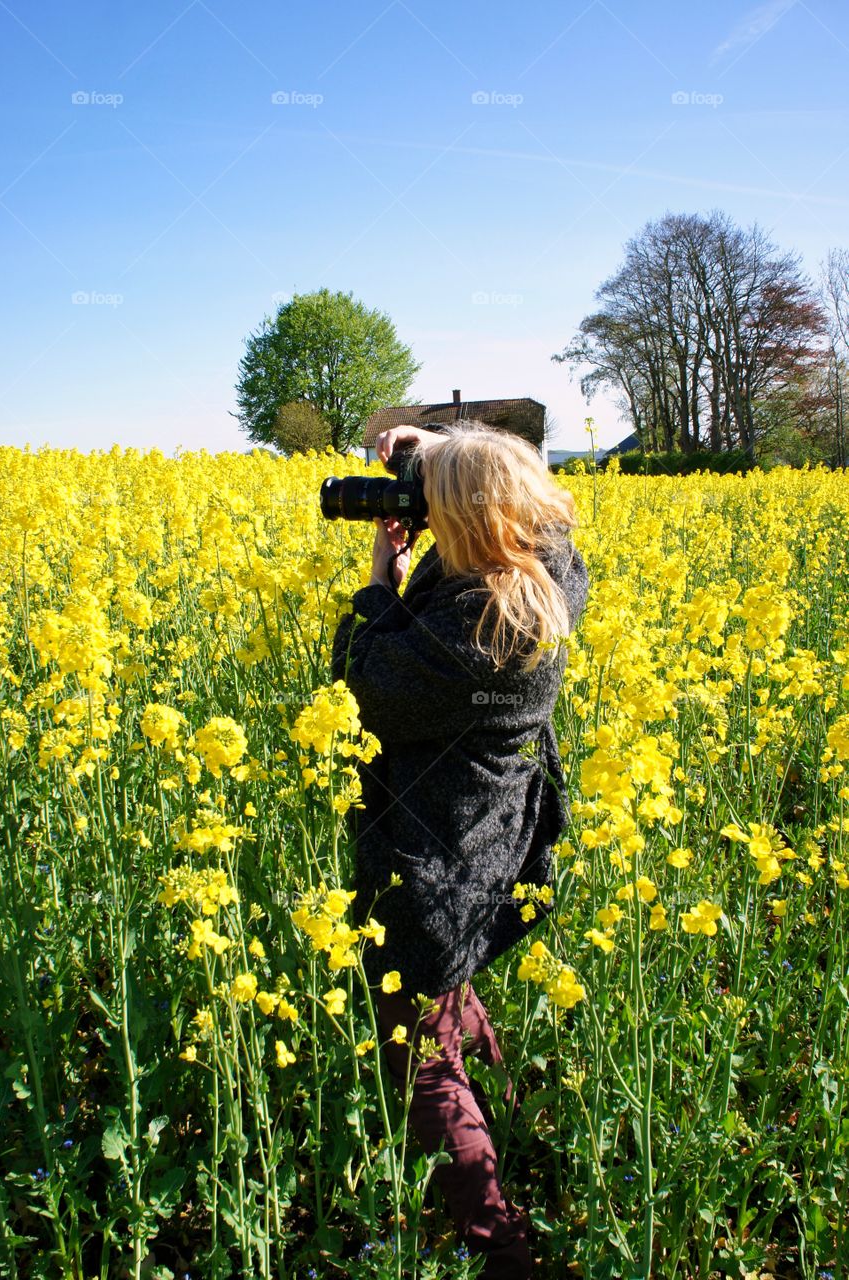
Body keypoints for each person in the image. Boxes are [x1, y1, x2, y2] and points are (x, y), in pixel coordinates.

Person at [330, 420, 590, 1279]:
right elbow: (537, 514)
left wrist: (380, 580)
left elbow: (366, 687)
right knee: (453, 975)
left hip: (433, 852)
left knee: (418, 1058)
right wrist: (442, 446)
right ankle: (510, 1111)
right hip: (494, 840)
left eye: (434, 496)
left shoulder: (476, 622)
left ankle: (501, 1251)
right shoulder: (545, 575)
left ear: (465, 519)